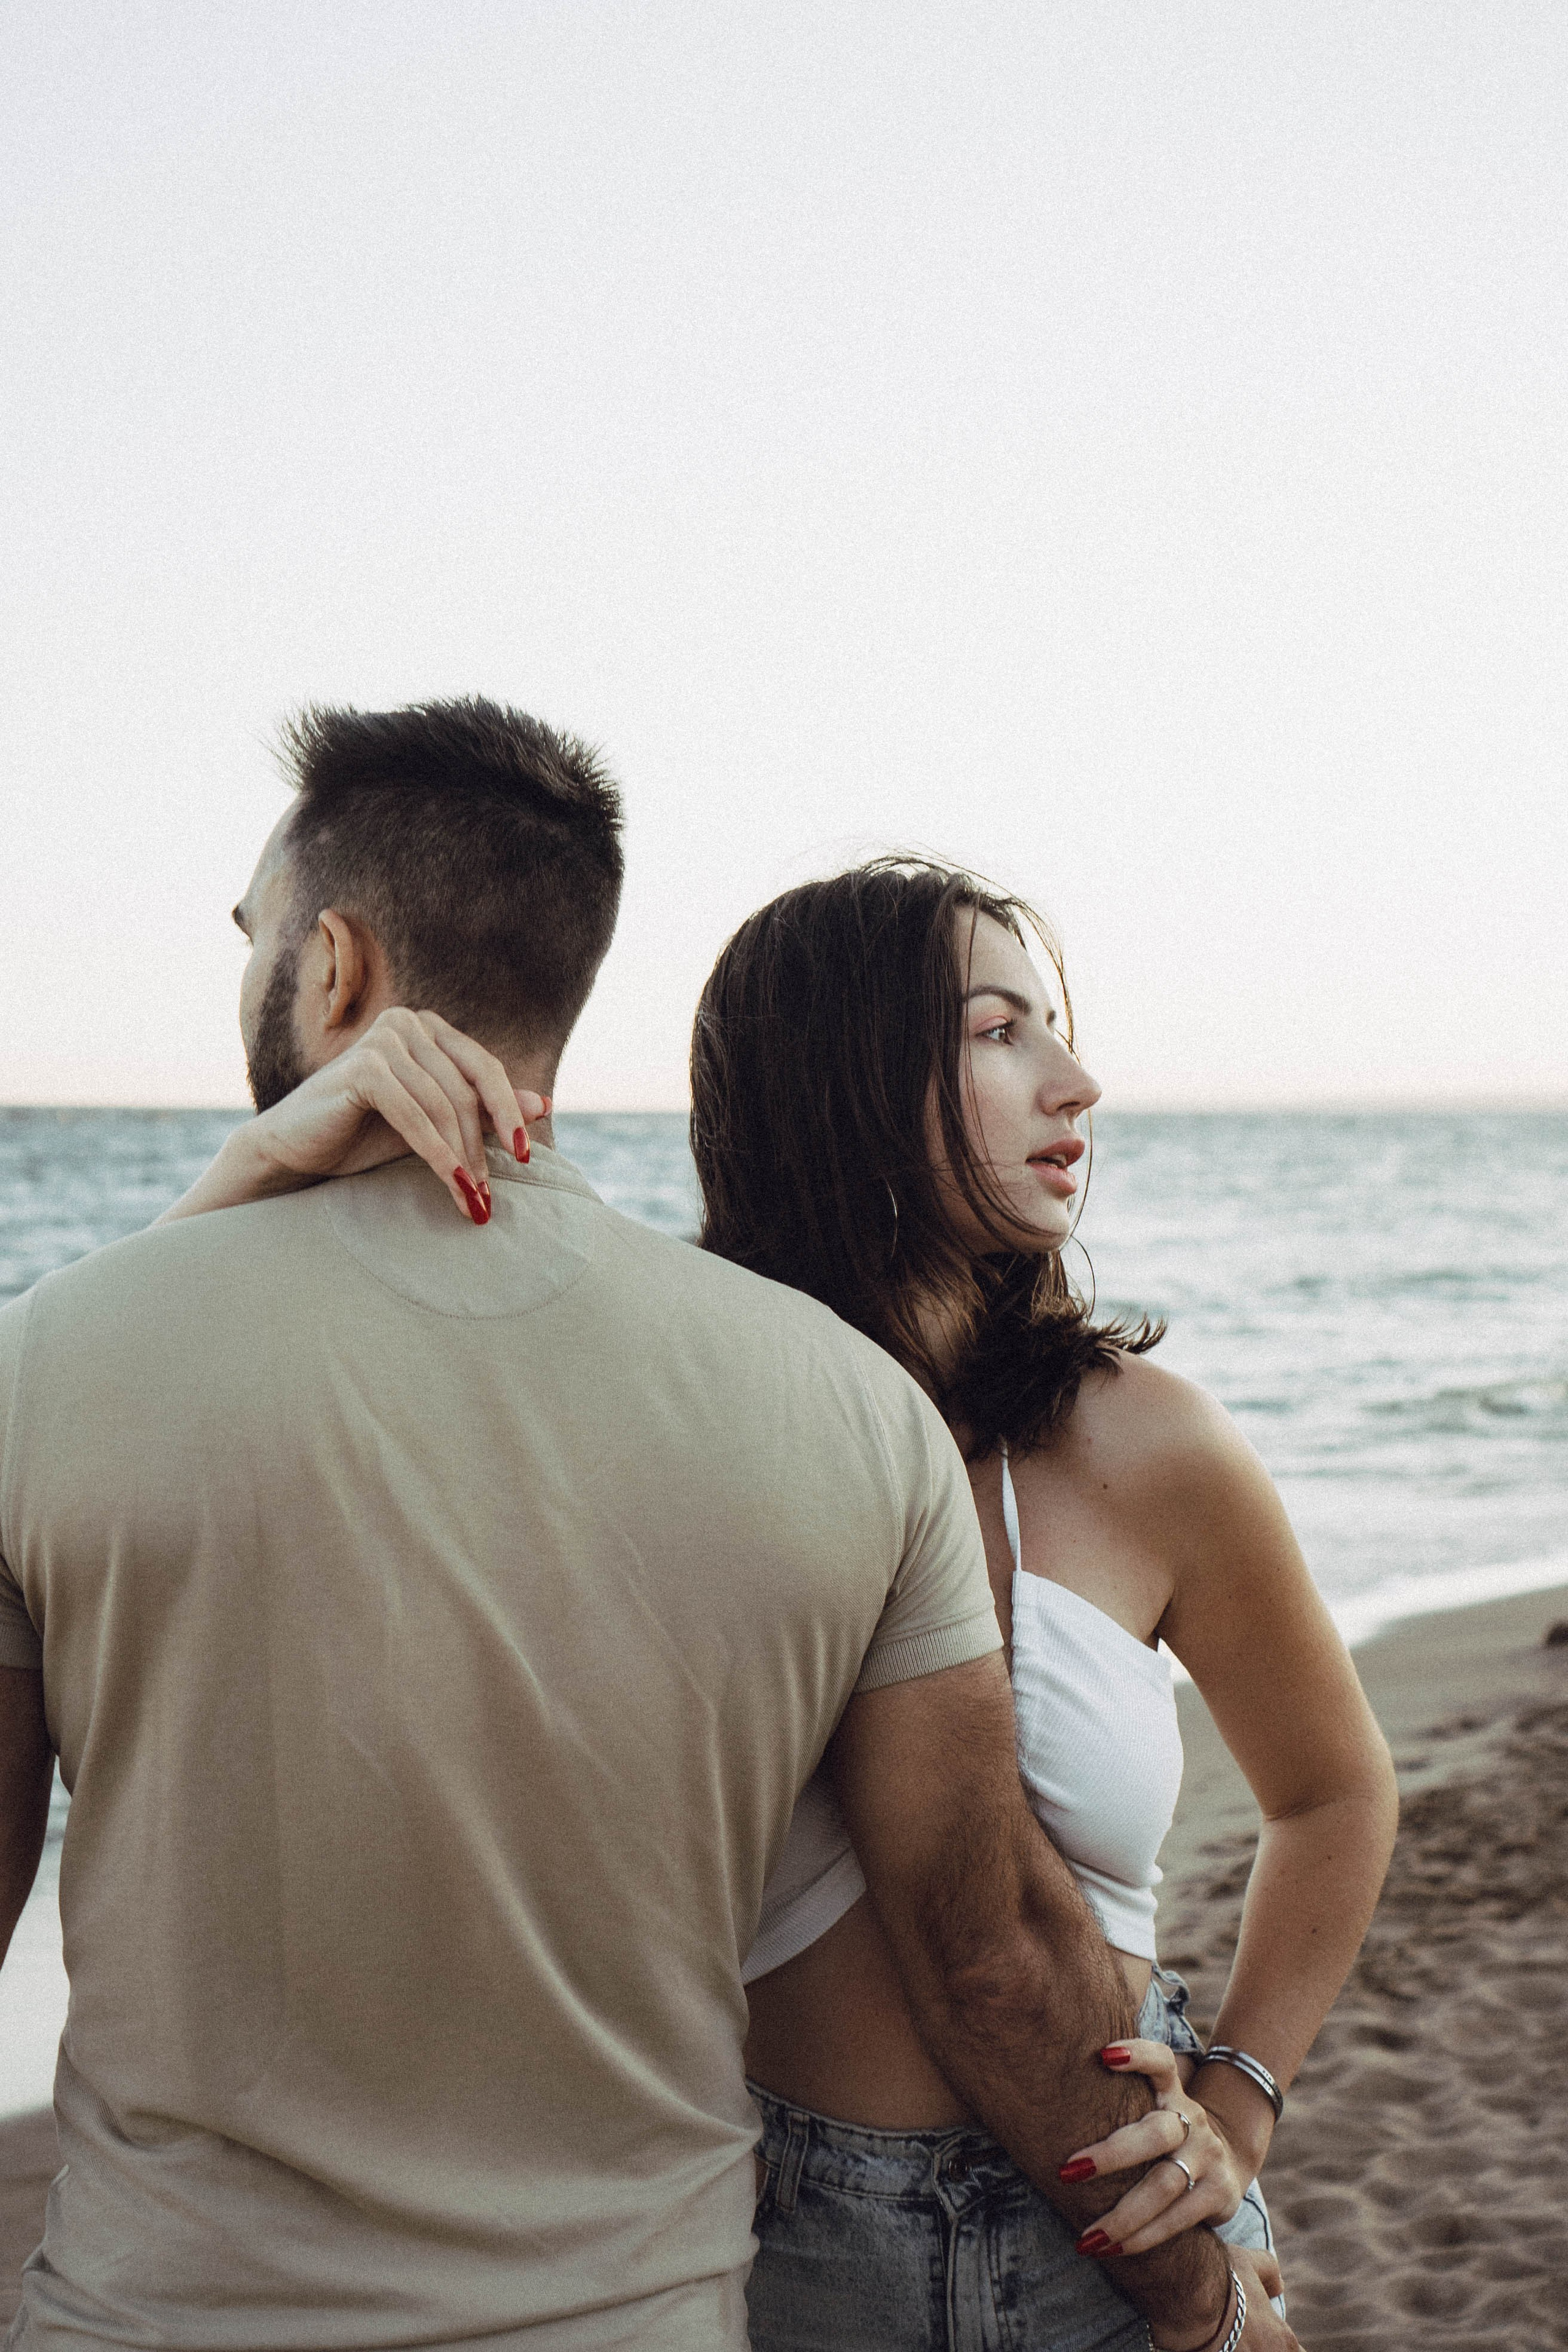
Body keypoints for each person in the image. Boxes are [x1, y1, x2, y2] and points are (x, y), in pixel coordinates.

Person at [0, 706, 1262, 2352]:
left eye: (254, 941)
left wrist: (214, 1204)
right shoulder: (846, 1410)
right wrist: (1205, 2300)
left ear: (332, 971)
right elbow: (995, 1953)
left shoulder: (55, 1369)